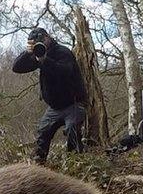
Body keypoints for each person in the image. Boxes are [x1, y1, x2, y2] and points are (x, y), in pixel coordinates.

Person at [12, 27, 88, 163]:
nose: (41, 44)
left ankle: (75, 164)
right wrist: (28, 52)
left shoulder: (63, 52)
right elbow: (17, 68)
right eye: (36, 42)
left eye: (42, 40)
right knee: (43, 132)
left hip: (73, 103)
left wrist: (44, 60)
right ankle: (38, 165)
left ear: (48, 37)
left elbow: (64, 71)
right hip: (54, 107)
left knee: (72, 131)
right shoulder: (37, 54)